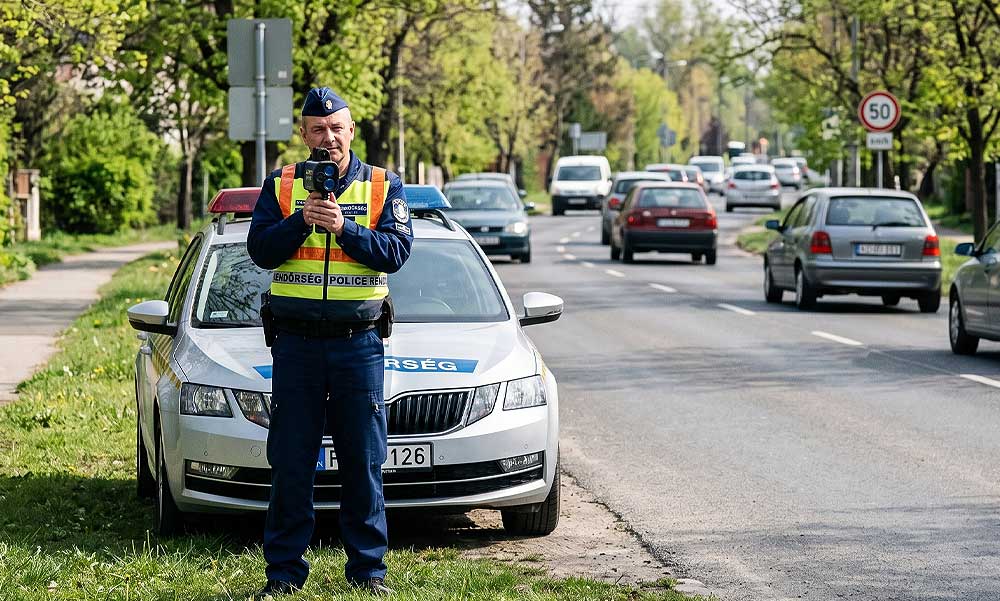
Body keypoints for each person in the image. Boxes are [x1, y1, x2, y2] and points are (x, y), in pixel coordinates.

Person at [247, 87, 413, 598]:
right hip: (295, 345)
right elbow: (260, 250)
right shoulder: (281, 185)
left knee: (363, 461)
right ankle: (283, 574)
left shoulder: (384, 185)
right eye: (318, 130)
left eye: (337, 128)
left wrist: (345, 228)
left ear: (352, 130)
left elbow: (397, 251)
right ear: (303, 134)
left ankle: (368, 573)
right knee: (291, 462)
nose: (328, 139)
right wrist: (302, 219)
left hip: (356, 345)